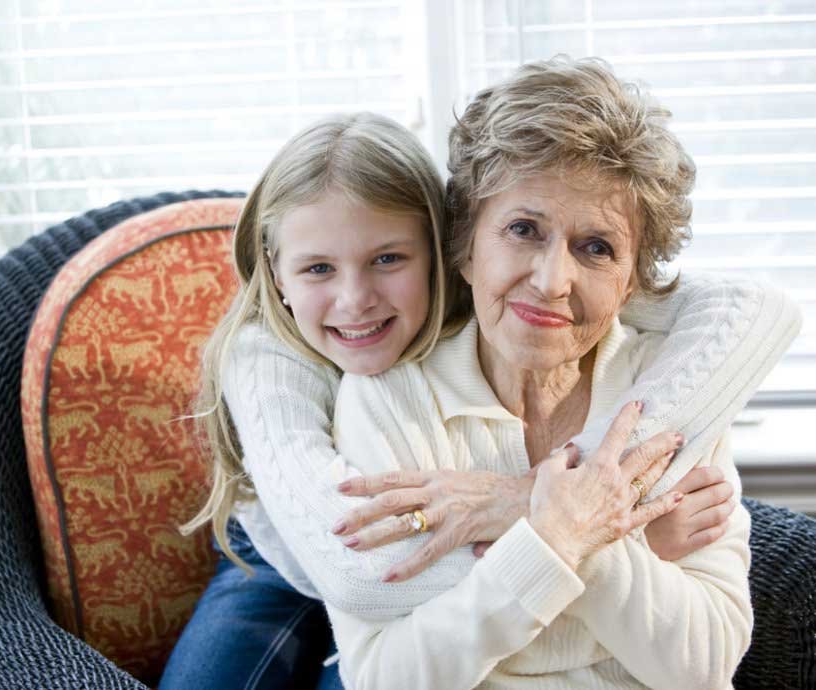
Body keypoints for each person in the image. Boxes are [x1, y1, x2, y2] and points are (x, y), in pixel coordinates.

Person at [158, 103, 799, 688]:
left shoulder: (628, 366)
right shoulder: (277, 361)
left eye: (388, 259)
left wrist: (540, 517)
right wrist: (587, 535)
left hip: (414, 561)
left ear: (439, 253)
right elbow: (356, 577)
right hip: (285, 553)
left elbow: (751, 307)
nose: (354, 300)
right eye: (318, 268)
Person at [324, 56, 766, 689]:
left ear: (633, 280)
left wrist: (546, 521)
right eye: (523, 229)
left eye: (597, 248)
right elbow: (386, 677)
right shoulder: (389, 399)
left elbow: (705, 661)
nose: (552, 280)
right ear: (465, 246)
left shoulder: (671, 386)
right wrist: (578, 542)